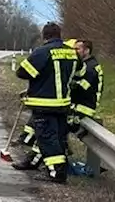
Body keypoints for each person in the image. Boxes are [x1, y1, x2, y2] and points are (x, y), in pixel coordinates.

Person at [12, 23, 77, 183]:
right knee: (57, 137)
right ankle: (34, 162)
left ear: (44, 36)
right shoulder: (71, 53)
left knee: (47, 138)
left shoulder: (43, 52)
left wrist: (38, 81)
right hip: (63, 104)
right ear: (59, 35)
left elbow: (23, 72)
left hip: (45, 103)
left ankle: (57, 172)